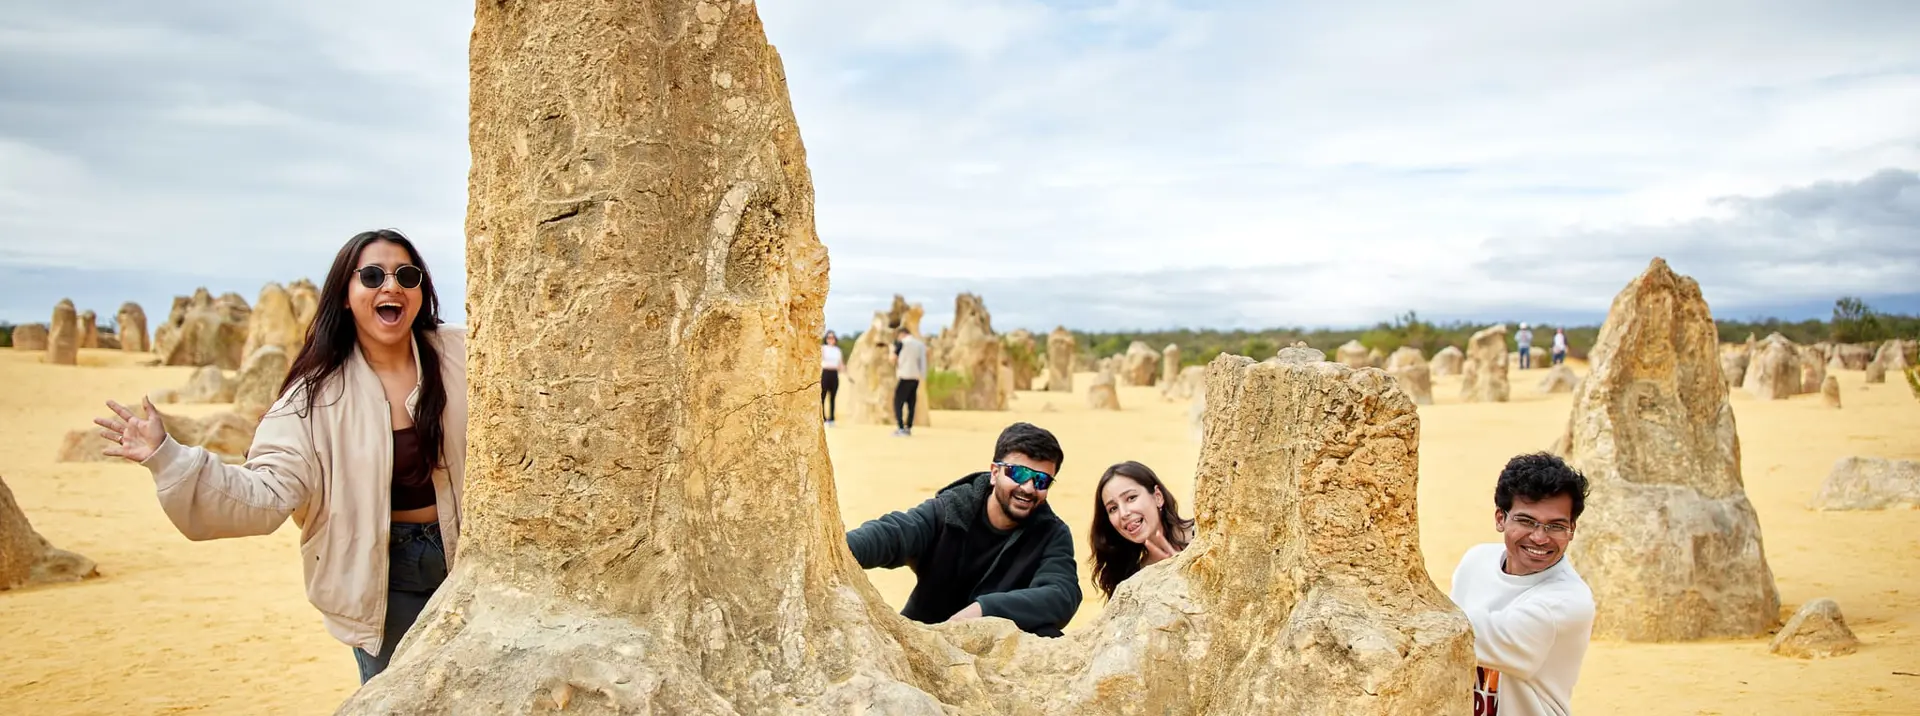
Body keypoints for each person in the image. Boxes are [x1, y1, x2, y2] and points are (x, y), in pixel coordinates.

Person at [92, 229, 468, 685]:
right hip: (381, 575)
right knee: (400, 697)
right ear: (345, 296)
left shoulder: (462, 353)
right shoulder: (313, 396)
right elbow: (266, 492)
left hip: (469, 556)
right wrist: (166, 457)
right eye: (372, 276)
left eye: (406, 275)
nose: (391, 286)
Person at [843, 422, 1081, 636]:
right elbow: (892, 534)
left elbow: (1062, 594)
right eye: (1019, 473)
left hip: (997, 654)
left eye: (1041, 480)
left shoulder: (1051, 533)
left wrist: (983, 610)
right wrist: (836, 549)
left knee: (1049, 636)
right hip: (924, 641)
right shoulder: (951, 511)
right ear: (995, 473)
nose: (1028, 488)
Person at [1450, 452, 1595, 716]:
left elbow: (1455, 635)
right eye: (1526, 521)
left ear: (1572, 529)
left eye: (1556, 526)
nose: (1540, 538)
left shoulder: (1568, 601)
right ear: (1500, 518)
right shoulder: (1476, 561)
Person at [1089, 461, 1194, 600]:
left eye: (1131, 498)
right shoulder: (1132, 580)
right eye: (1113, 508)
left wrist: (1182, 573)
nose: (1123, 513)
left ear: (1158, 497)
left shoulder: (1208, 536)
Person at [890, 326, 927, 437]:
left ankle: (900, 427)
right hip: (915, 377)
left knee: (898, 402)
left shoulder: (901, 343)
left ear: (902, 334)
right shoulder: (920, 344)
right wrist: (922, 376)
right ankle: (908, 427)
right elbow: (923, 362)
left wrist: (891, 350)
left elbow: (893, 359)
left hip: (904, 375)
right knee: (911, 403)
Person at [821, 331, 843, 425]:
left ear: (835, 339)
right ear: (826, 339)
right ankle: (823, 418)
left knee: (833, 397)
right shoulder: (823, 348)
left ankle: (832, 418)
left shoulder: (837, 350)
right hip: (825, 373)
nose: (831, 339)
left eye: (832, 338)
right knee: (823, 396)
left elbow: (840, 363)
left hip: (834, 373)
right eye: (829, 338)